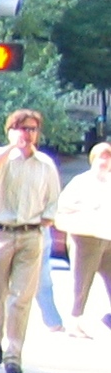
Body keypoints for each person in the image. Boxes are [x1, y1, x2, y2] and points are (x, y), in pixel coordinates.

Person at [0, 109, 59, 373]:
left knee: (21, 298)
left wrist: (45, 219)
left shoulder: (45, 165)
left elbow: (53, 199)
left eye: (33, 129)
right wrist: (11, 147)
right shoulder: (1, 158)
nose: (28, 134)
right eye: (23, 128)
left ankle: (14, 353)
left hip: (30, 236)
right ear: (12, 130)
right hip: (0, 234)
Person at [61, 141, 111, 331]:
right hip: (85, 238)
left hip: (108, 238)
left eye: (108, 157)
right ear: (93, 159)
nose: (105, 161)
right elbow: (64, 205)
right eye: (101, 157)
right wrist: (86, 209)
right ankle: (75, 319)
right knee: (81, 282)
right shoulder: (81, 182)